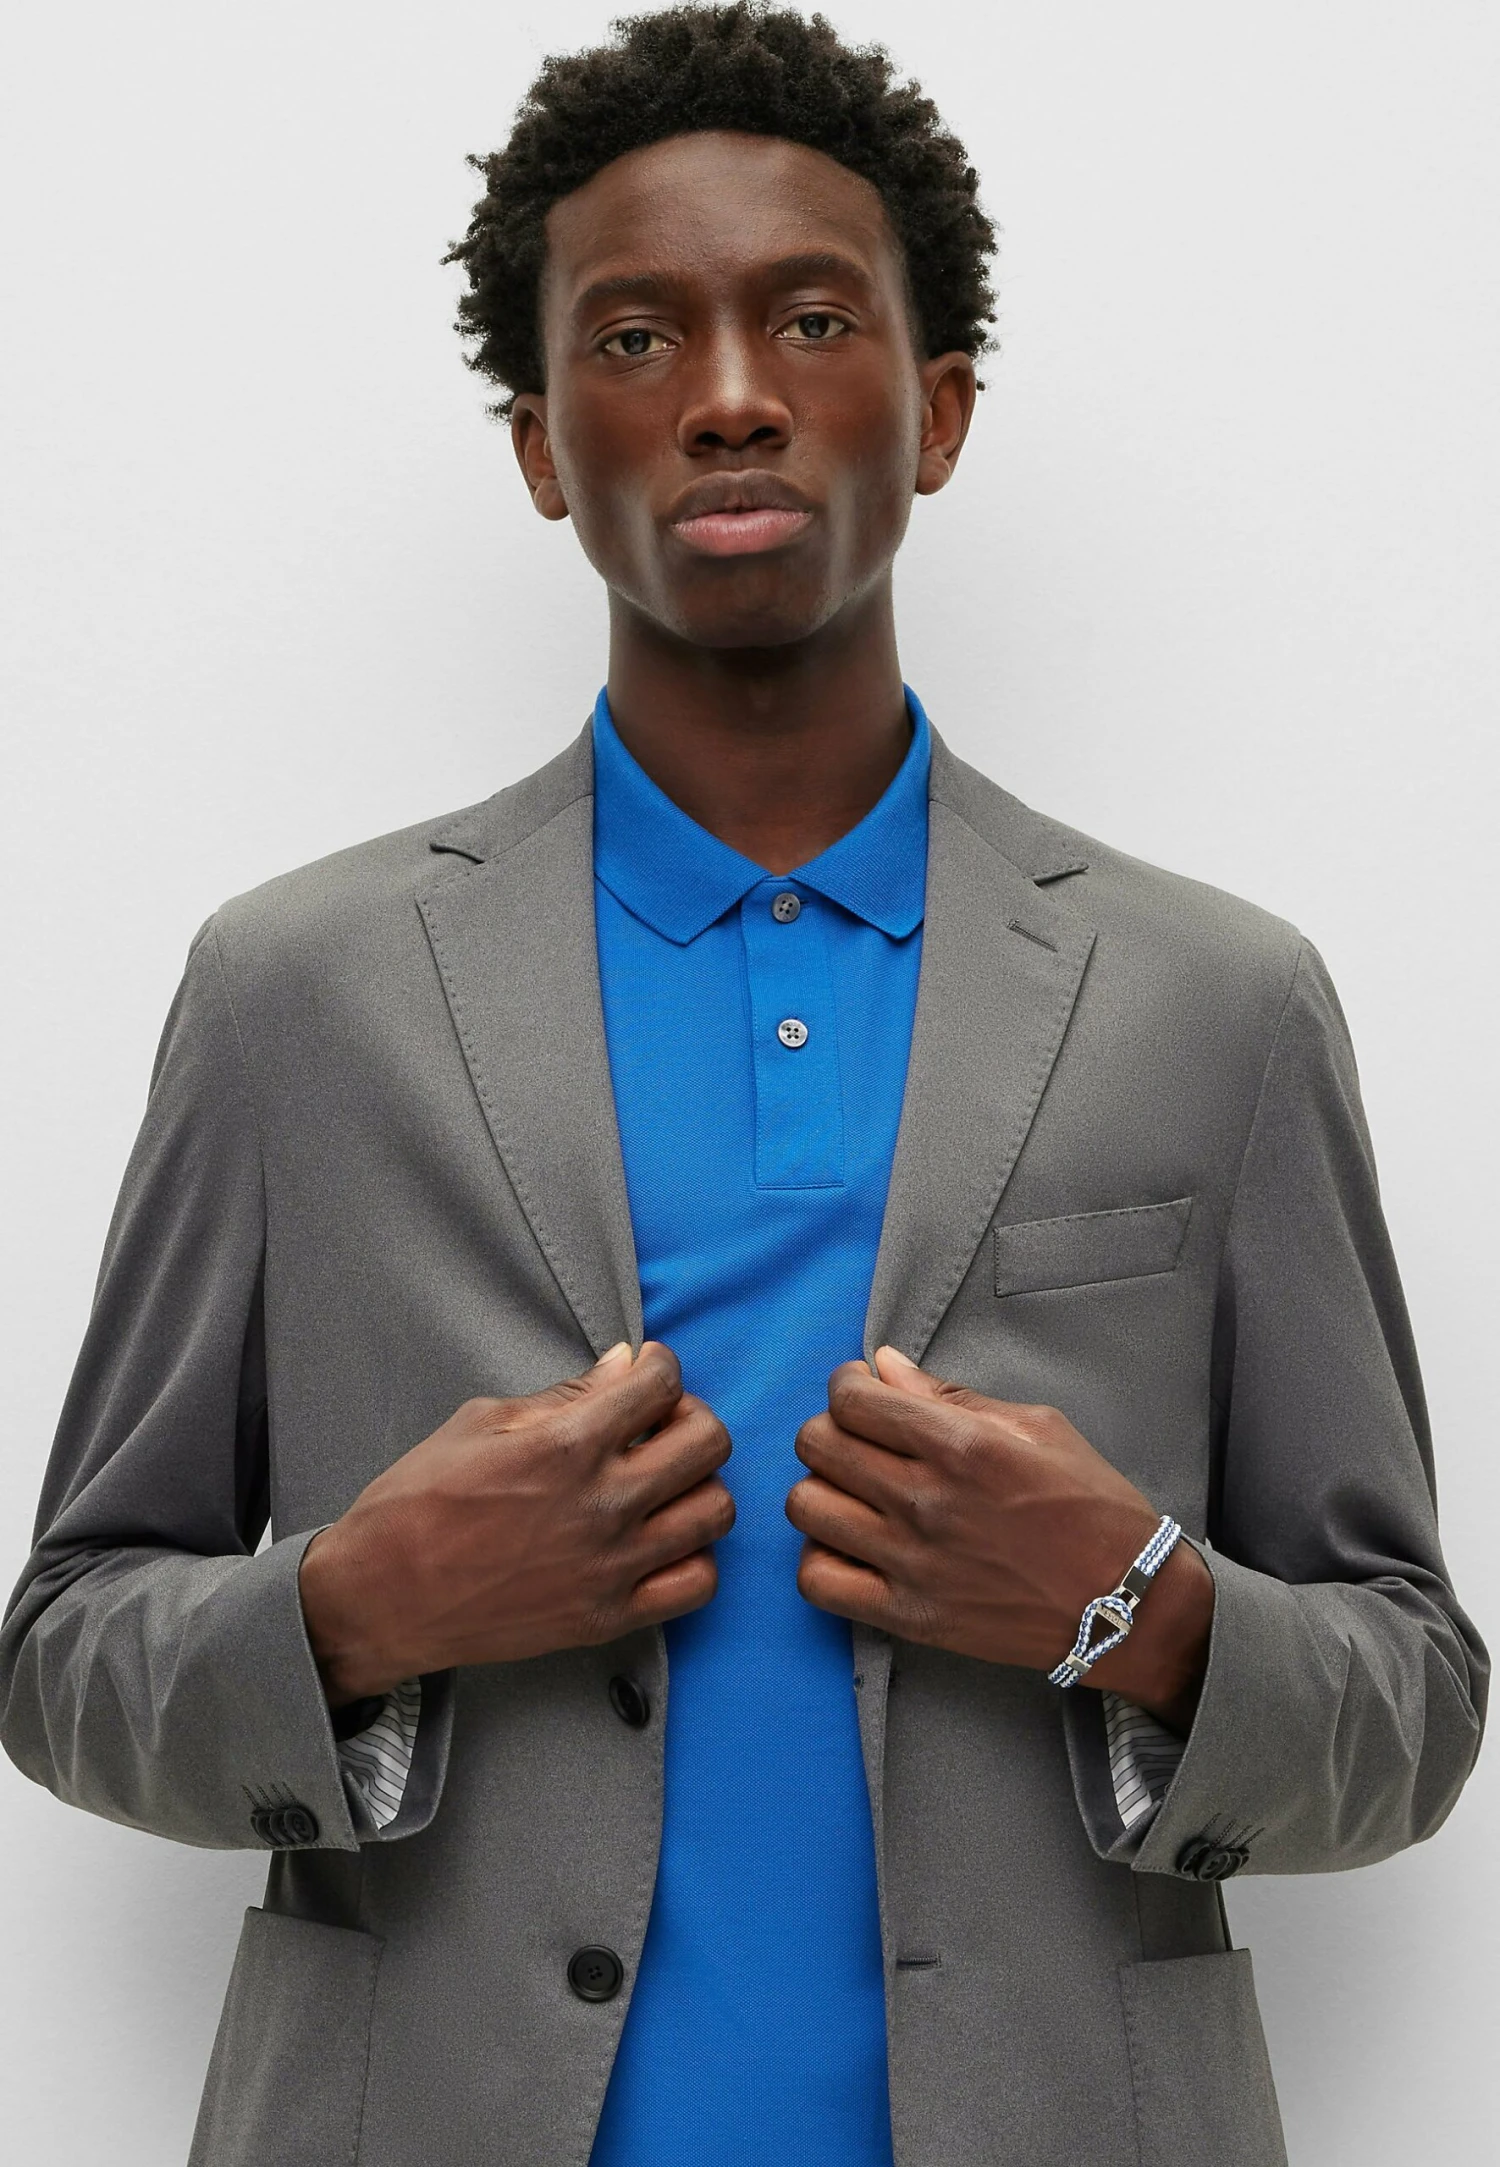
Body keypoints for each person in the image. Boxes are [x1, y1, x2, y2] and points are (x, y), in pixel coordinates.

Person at [1, 7, 1485, 2164]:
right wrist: (358, 1604)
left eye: (810, 319)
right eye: (634, 337)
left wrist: (1135, 1601)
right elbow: (63, 1655)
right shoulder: (297, 995)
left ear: (937, 409)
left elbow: (1416, 1702)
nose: (726, 395)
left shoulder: (1216, 1003)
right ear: (542, 446)